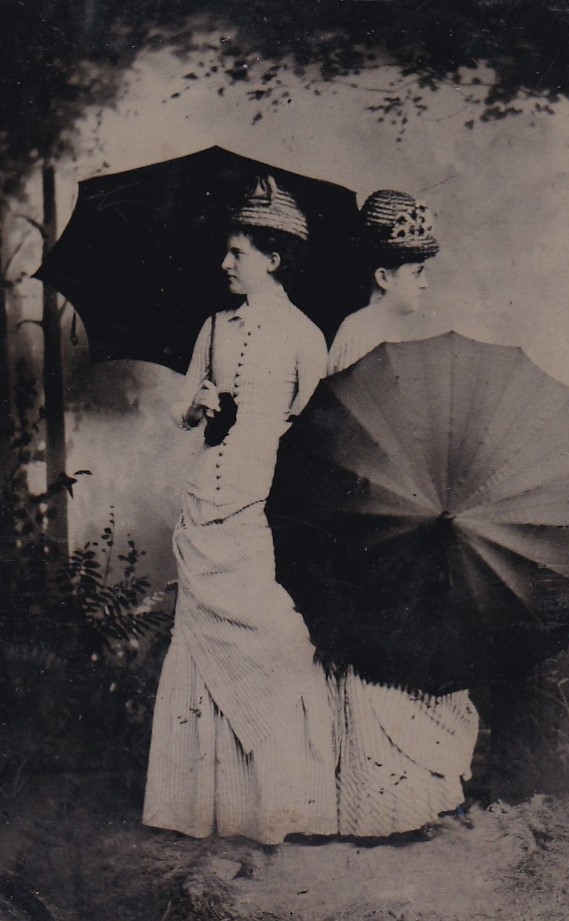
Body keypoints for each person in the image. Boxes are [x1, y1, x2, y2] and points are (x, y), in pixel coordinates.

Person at [143, 177, 337, 845]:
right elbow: (181, 406)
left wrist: (273, 435)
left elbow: (319, 426)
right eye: (226, 252)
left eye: (237, 253)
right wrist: (197, 406)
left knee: (268, 634)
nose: (224, 263)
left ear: (273, 259)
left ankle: (278, 803)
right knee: (201, 632)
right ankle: (200, 803)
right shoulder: (213, 326)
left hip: (262, 499)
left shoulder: (304, 335)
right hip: (206, 495)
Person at [328, 190, 479, 837]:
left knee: (419, 640)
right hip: (373, 516)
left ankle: (417, 796)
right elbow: (348, 435)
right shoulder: (358, 335)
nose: (425, 282)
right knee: (381, 649)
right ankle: (383, 804)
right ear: (382, 275)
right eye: (416, 270)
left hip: (403, 510)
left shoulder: (388, 334)